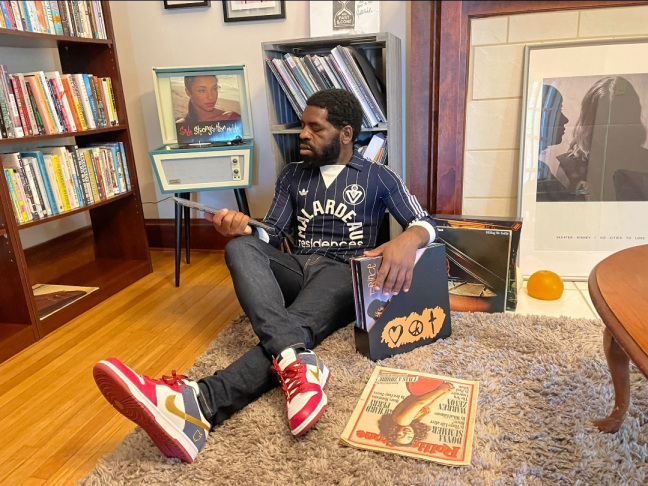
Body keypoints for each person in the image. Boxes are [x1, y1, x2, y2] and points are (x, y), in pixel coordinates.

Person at [93, 89, 438, 463]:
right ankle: (296, 360)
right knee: (239, 249)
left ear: (345, 134)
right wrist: (244, 229)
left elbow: (428, 222)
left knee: (296, 321)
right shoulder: (292, 175)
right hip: (296, 265)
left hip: (343, 271)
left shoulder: (379, 176)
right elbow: (273, 232)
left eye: (314, 128)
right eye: (301, 126)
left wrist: (408, 239)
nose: (302, 134)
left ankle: (202, 403)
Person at [377, 377, 454, 446]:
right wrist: (447, 391)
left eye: (400, 435)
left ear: (393, 432)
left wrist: (441, 390)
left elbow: (420, 402)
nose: (406, 434)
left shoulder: (402, 421)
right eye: (409, 437)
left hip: (422, 387)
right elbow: (434, 404)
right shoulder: (414, 420)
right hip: (428, 389)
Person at [176, 75, 241, 123]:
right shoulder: (180, 126)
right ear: (188, 92)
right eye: (202, 90)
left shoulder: (232, 119)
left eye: (214, 88)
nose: (211, 97)